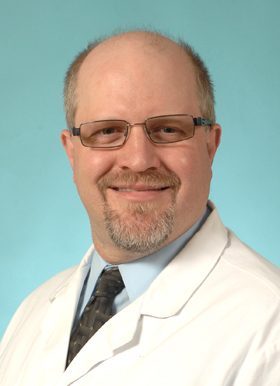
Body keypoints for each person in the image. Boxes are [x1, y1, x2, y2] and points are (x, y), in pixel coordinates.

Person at [0, 30, 279, 386]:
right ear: (72, 152)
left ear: (210, 145)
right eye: (107, 131)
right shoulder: (32, 312)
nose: (138, 159)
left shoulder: (269, 331)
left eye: (167, 129)